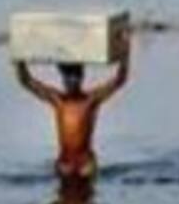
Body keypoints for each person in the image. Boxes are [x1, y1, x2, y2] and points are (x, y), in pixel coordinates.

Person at [15, 43, 130, 181]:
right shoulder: (58, 100)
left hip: (85, 164)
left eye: (75, 78)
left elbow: (119, 80)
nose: (71, 82)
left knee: (87, 192)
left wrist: (125, 54)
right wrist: (19, 59)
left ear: (81, 78)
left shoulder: (90, 100)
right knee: (64, 191)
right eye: (68, 78)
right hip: (65, 163)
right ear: (63, 80)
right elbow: (26, 81)